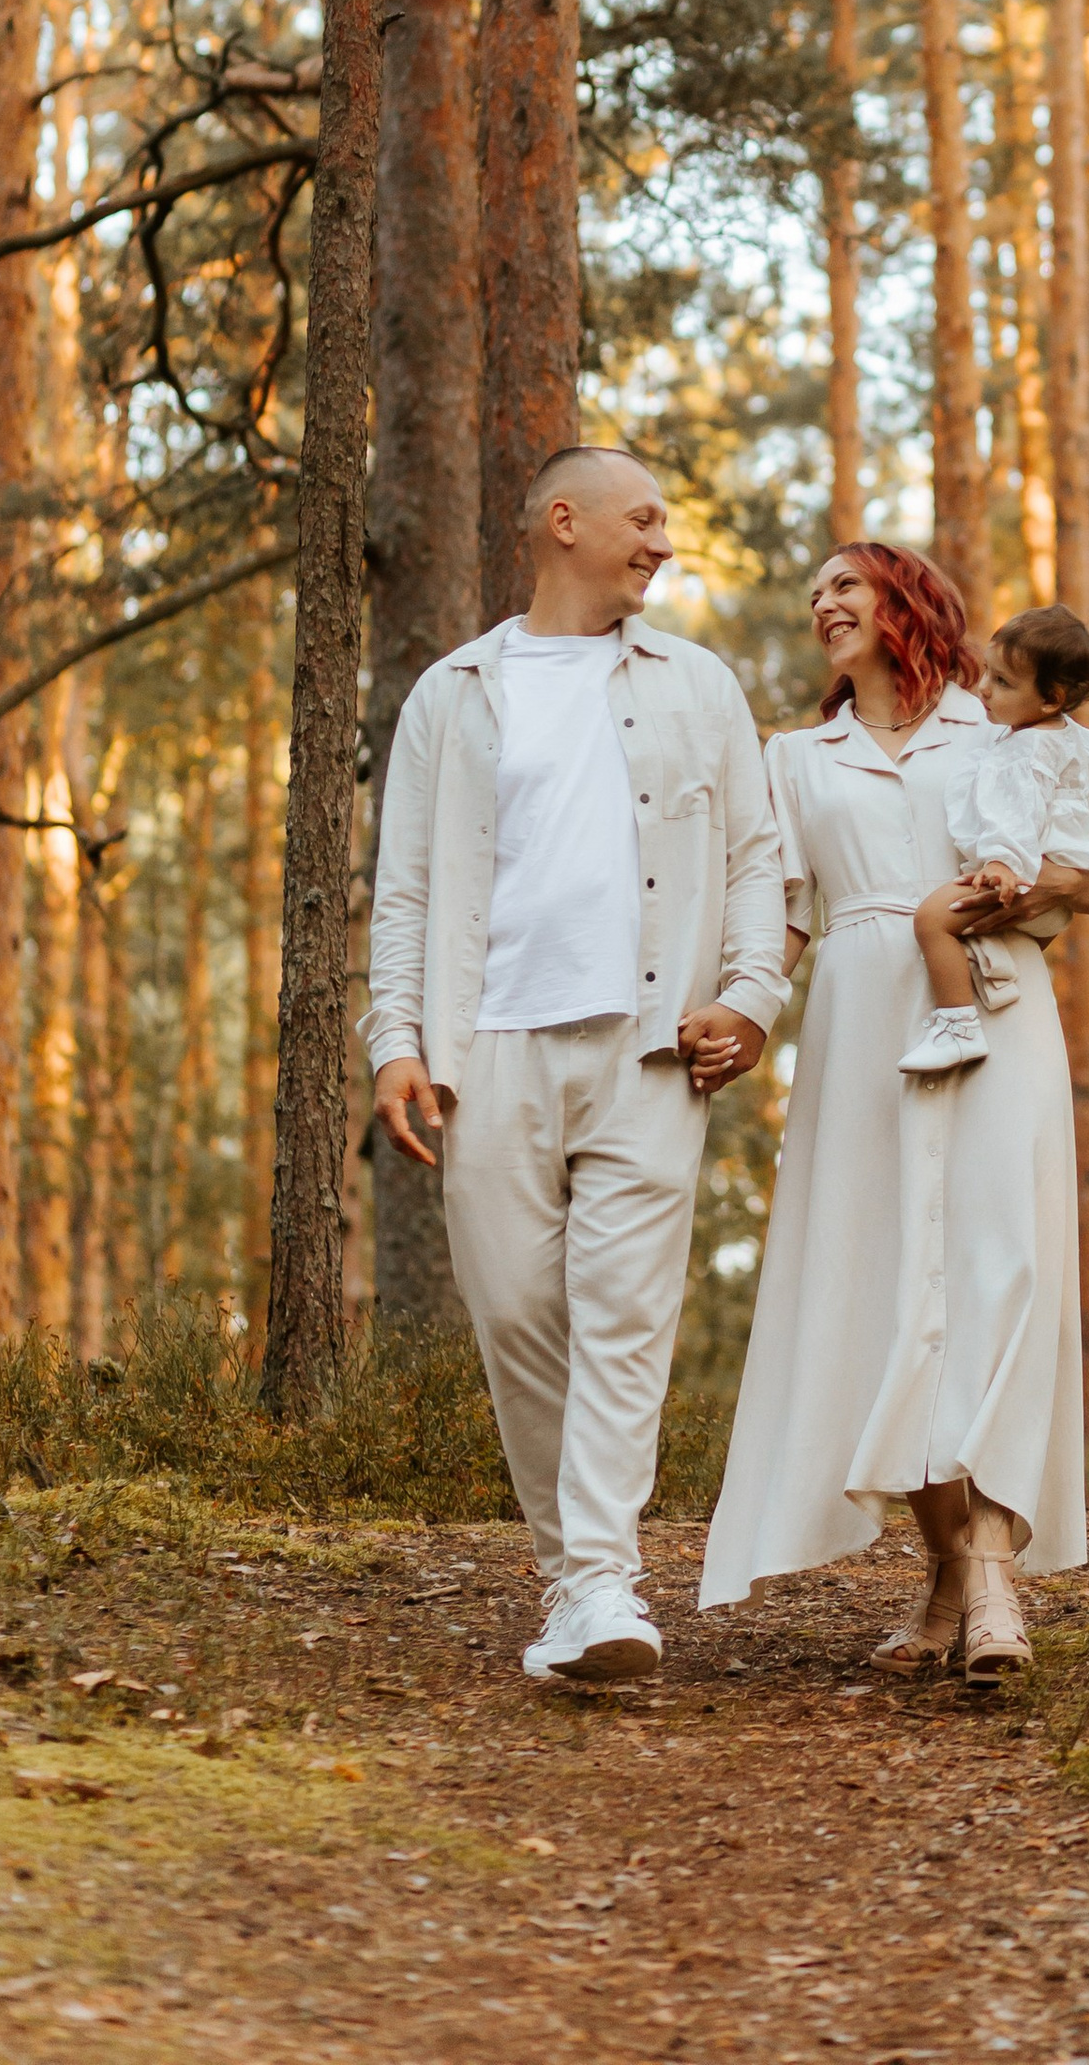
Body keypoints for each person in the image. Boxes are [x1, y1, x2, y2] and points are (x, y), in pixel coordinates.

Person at [365, 446, 787, 1686]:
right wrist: (396, 1040)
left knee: (624, 1314)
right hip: (485, 1044)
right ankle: (576, 1576)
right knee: (513, 1311)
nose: (662, 543)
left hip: (651, 1047)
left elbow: (759, 862)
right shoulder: (454, 692)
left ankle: (598, 1584)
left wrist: (752, 998)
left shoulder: (697, 685)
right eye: (644, 519)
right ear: (565, 521)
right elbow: (407, 892)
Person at [699, 542, 1089, 1679]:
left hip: (994, 1009)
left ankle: (993, 1578)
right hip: (856, 1029)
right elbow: (782, 913)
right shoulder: (795, 761)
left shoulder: (1000, 732)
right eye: (814, 593)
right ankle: (944, 1559)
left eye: (847, 584)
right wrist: (744, 1017)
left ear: (908, 603)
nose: (822, 603)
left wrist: (1045, 887)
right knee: (887, 1289)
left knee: (1001, 1277)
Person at [903, 602, 1089, 1077]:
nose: (983, 690)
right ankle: (995, 978)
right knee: (995, 937)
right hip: (1061, 883)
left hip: (1019, 873)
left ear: (1051, 698)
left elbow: (1012, 815)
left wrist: (1001, 862)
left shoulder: (1022, 749)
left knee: (932, 920)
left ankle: (957, 1026)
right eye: (987, 674)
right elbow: (1087, 800)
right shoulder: (1078, 740)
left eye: (1002, 683)